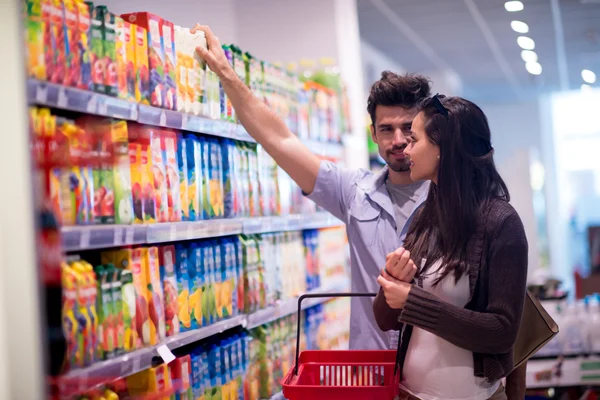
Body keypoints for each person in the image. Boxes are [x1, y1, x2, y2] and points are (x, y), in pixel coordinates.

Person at [191, 25, 429, 351]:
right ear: (373, 134)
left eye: (407, 128)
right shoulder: (353, 191)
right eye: (387, 129)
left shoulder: (452, 198)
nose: (398, 140)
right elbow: (279, 139)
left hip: (433, 374)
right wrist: (226, 73)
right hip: (370, 370)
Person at [373, 95, 528, 400]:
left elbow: (501, 332)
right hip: (408, 394)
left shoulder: (501, 223)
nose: (405, 147)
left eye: (414, 139)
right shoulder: (425, 217)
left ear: (444, 148)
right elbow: (384, 319)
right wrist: (392, 280)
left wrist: (414, 302)